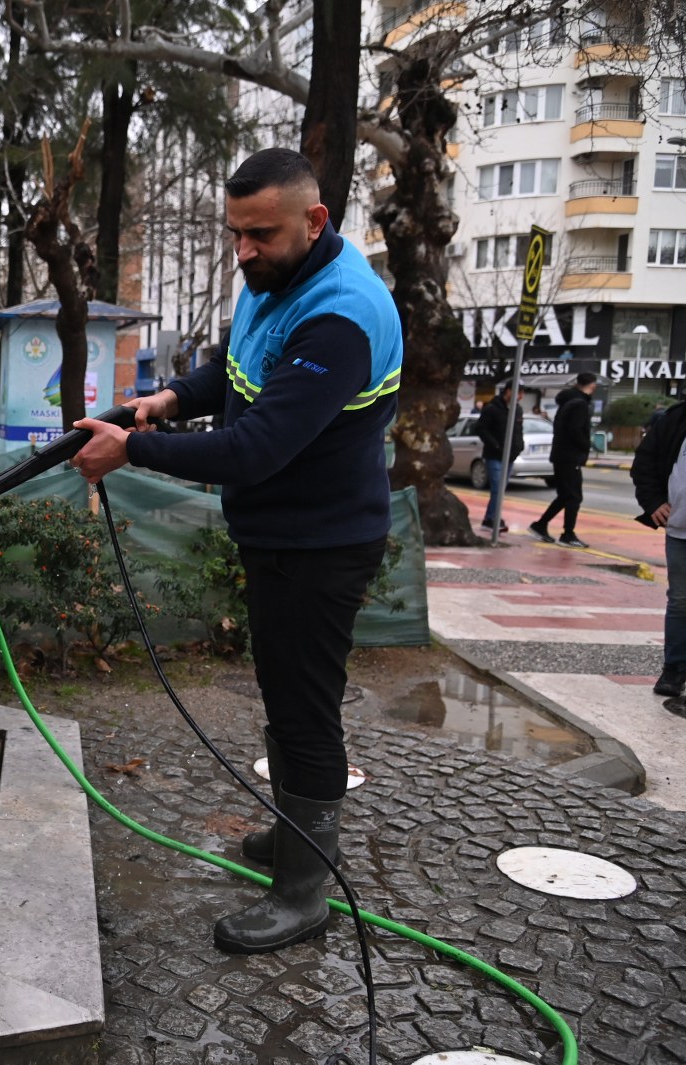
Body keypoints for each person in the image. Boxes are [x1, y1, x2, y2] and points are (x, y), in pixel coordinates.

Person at [69, 147, 402, 955]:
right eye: (236, 233)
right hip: (278, 534)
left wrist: (132, 451)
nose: (243, 250)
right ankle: (298, 834)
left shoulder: (341, 318)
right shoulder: (274, 280)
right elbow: (238, 368)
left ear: (315, 220)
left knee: (304, 712)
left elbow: (254, 447)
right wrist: (171, 397)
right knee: (281, 694)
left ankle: (304, 893)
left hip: (322, 545)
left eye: (261, 234)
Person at [631, 396, 686, 701]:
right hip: (681, 530)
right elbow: (644, 463)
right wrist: (652, 503)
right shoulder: (676, 419)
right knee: (680, 601)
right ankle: (675, 669)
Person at [528, 373, 598, 548]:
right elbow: (575, 430)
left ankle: (540, 525)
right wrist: (586, 445)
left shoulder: (567, 401)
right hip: (570, 455)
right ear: (592, 386)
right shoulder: (580, 404)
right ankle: (568, 534)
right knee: (574, 497)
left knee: (565, 496)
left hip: (561, 455)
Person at [474, 382, 524, 534]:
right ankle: (492, 519)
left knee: (500, 489)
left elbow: (518, 430)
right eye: (518, 392)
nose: (521, 396)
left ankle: (490, 517)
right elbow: (481, 428)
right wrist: (495, 445)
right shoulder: (492, 408)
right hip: (494, 455)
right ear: (508, 391)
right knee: (497, 488)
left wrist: (519, 446)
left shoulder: (517, 410)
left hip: (510, 455)